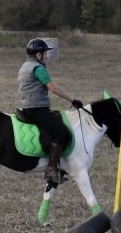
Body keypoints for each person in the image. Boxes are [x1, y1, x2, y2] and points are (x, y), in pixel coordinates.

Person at [18, 38, 84, 183]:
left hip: (27, 106)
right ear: (38, 54)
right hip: (36, 108)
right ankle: (51, 169)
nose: (47, 57)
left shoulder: (25, 66)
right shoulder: (38, 68)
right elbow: (53, 88)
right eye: (45, 53)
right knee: (61, 132)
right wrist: (72, 100)